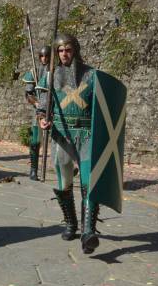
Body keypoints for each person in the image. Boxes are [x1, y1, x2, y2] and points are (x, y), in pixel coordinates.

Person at [37, 34, 100, 254]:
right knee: (64, 183)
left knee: (88, 182)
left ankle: (88, 231)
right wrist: (43, 119)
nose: (65, 54)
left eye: (68, 49)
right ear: (56, 53)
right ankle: (71, 222)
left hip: (86, 134)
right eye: (61, 50)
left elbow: (102, 108)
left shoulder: (91, 75)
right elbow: (42, 106)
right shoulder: (50, 76)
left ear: (76, 50)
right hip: (61, 133)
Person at [22, 46, 51, 180]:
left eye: (47, 56)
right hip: (39, 110)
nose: (44, 59)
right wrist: (36, 103)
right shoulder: (34, 72)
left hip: (54, 109)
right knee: (35, 141)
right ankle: (33, 169)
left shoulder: (56, 71)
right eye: (42, 56)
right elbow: (28, 94)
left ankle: (65, 167)